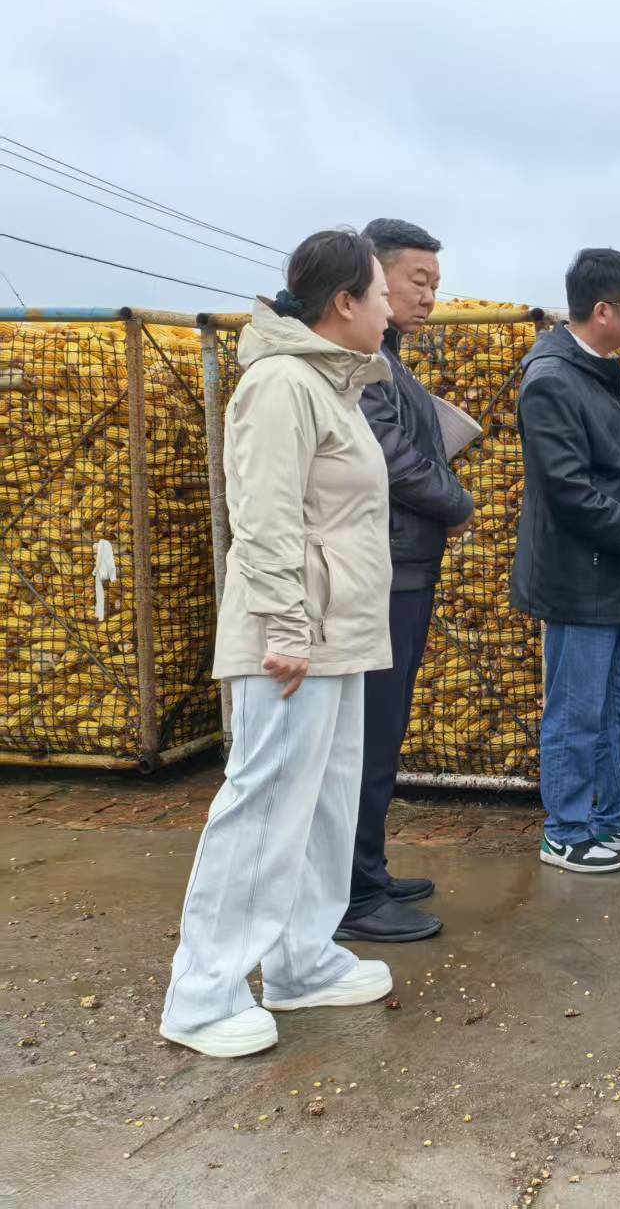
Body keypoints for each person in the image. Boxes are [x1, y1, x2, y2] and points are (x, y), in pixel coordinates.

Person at [160, 229, 397, 1057]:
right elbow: (263, 516)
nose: (391, 308)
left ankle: (301, 959)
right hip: (292, 638)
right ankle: (202, 993)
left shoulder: (329, 386)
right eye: (381, 293)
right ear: (345, 301)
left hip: (338, 633)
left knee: (324, 804)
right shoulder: (280, 384)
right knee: (262, 806)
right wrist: (289, 627)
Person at [511, 248, 620, 872]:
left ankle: (616, 817)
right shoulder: (552, 381)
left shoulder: (603, 373)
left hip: (611, 571)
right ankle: (565, 830)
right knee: (577, 709)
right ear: (604, 310)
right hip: (575, 576)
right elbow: (568, 489)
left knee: (617, 706)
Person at [334, 218, 474, 945]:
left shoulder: (388, 358)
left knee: (382, 733)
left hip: (405, 564)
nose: (428, 297)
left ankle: (368, 869)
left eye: (435, 285)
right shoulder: (362, 364)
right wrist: (456, 501)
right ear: (372, 277)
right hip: (384, 572)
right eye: (417, 281)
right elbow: (389, 454)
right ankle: (352, 893)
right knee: (369, 733)